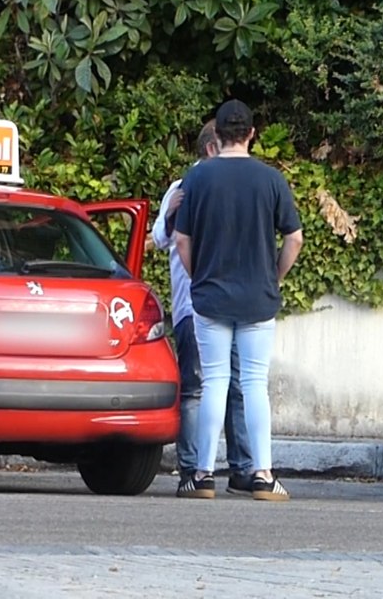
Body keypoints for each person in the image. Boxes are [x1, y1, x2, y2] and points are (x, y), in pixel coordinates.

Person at [173, 99, 304, 501]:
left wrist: (200, 277)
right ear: (251, 134)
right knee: (254, 384)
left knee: (212, 382)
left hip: (211, 296)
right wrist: (273, 277)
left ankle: (203, 474)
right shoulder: (271, 180)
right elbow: (294, 238)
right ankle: (263, 474)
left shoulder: (197, 180)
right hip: (258, 297)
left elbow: (181, 240)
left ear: (218, 136)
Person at [151, 120, 254, 495]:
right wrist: (169, 214)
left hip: (227, 303)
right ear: (212, 149)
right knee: (198, 388)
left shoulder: (229, 187)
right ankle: (193, 469)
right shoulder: (183, 189)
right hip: (196, 306)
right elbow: (162, 239)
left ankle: (240, 468)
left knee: (237, 387)